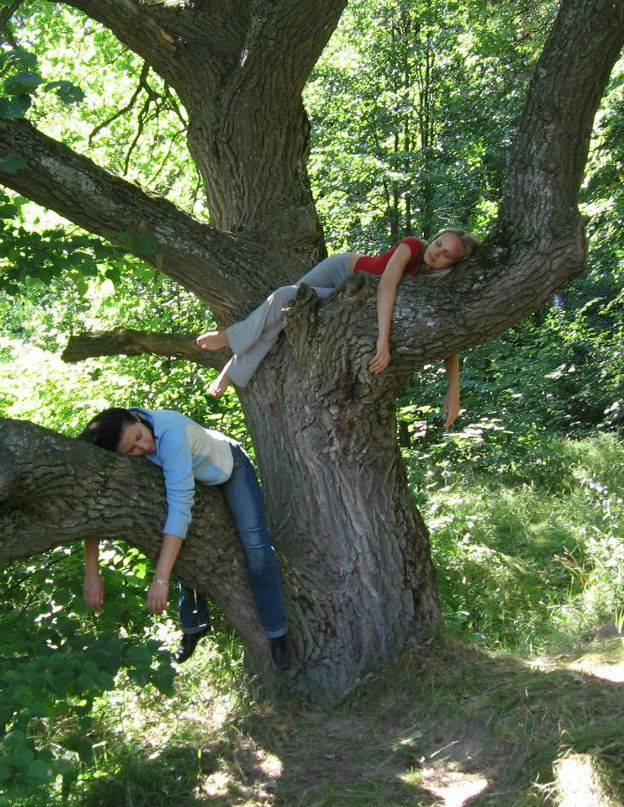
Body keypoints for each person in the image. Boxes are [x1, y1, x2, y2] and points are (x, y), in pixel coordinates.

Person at [79, 406, 290, 670]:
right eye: (131, 450)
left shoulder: (171, 435)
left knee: (257, 550)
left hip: (229, 468)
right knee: (185, 546)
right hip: (193, 473)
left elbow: (180, 510)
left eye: (139, 437)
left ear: (136, 417)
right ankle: (194, 624)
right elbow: (98, 501)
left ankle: (276, 632)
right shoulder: (126, 435)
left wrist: (160, 579)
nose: (143, 448)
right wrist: (91, 571)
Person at [196, 229, 478, 427]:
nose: (437, 251)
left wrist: (454, 390)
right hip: (341, 270)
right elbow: (387, 286)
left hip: (349, 297)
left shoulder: (434, 287)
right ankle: (229, 344)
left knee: (284, 311)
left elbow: (445, 337)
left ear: (453, 264)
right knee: (285, 303)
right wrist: (383, 341)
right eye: (439, 243)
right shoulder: (413, 246)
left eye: (446, 254)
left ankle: (232, 362)